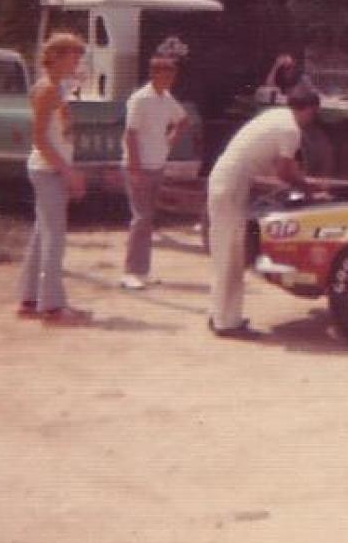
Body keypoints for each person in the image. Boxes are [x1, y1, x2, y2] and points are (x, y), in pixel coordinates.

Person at [206, 87, 325, 338]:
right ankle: (226, 323)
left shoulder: (275, 116)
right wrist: (310, 188)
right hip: (231, 184)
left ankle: (219, 314)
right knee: (231, 254)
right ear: (310, 109)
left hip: (226, 179)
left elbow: (278, 165)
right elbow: (284, 171)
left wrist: (301, 181)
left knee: (225, 251)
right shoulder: (291, 129)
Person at [16, 31, 91, 324]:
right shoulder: (47, 89)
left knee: (42, 234)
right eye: (73, 55)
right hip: (48, 169)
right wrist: (67, 172)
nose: (78, 60)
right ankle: (53, 306)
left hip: (52, 168)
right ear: (56, 56)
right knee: (54, 238)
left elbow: (60, 135)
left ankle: (30, 299)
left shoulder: (57, 87)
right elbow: (39, 138)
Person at [120, 54, 190, 289]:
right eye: (165, 75)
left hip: (157, 165)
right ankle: (130, 272)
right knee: (141, 218)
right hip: (139, 167)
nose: (170, 80)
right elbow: (130, 134)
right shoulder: (139, 99)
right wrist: (135, 169)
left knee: (148, 219)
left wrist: (169, 140)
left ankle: (143, 271)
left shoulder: (167, 98)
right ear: (153, 74)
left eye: (172, 76)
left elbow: (183, 121)